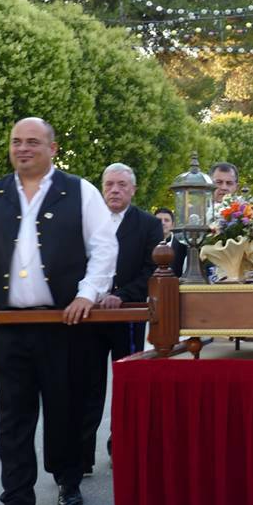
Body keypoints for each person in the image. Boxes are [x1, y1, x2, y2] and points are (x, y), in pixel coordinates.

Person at [0, 117, 117, 505]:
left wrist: (87, 293)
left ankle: (67, 478)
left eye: (32, 142)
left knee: (64, 407)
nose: (23, 148)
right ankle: (16, 503)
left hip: (64, 322)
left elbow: (104, 247)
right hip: (8, 325)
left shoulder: (80, 191)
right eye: (16, 142)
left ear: (52, 147)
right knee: (12, 415)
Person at [79, 163, 162, 473]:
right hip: (90, 314)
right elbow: (75, 263)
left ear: (133, 190)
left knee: (126, 386)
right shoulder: (86, 222)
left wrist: (122, 295)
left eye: (121, 185)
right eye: (109, 184)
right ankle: (82, 456)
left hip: (127, 315)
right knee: (88, 385)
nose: (114, 190)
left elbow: (150, 269)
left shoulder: (148, 225)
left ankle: (121, 446)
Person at [155, 207, 187, 278]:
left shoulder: (184, 247)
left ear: (172, 225)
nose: (163, 223)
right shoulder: (145, 245)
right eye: (159, 220)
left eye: (166, 220)